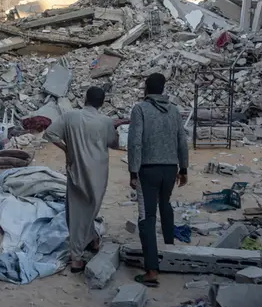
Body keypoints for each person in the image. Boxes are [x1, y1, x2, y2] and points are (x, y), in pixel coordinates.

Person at [44, 86, 118, 273]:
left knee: (78, 210)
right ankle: (76, 257)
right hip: (99, 172)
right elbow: (113, 142)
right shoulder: (105, 121)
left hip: (77, 169)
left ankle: (90, 239)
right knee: (89, 208)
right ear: (102, 103)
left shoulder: (70, 116)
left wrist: (67, 148)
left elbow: (50, 133)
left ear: (85, 99)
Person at [127, 73, 188, 287]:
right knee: (166, 205)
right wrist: (184, 168)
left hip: (148, 169)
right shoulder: (174, 111)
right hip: (170, 168)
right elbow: (182, 140)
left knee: (147, 217)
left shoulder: (140, 109)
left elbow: (135, 142)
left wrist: (133, 172)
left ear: (146, 88)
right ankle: (170, 251)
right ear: (163, 89)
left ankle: (151, 270)